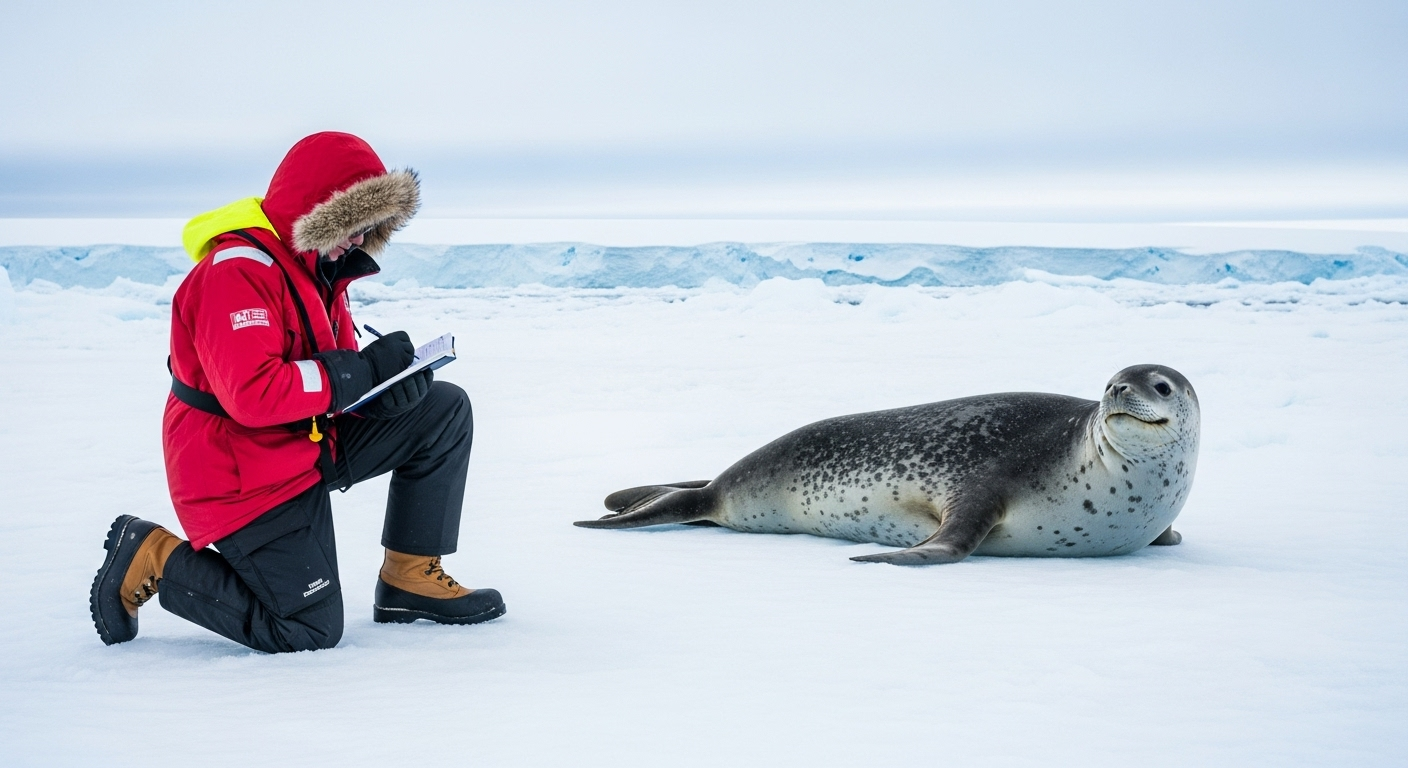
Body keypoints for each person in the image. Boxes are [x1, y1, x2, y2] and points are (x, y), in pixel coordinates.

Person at [89, 132, 504, 653]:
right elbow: (255, 392)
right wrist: (359, 372)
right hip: (240, 470)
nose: (358, 240)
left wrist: (385, 388)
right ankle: (152, 555)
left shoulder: (316, 269)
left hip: (303, 443)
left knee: (441, 409)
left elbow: (325, 381)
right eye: (352, 226)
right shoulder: (237, 272)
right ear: (318, 212)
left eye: (367, 228)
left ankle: (409, 576)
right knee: (308, 628)